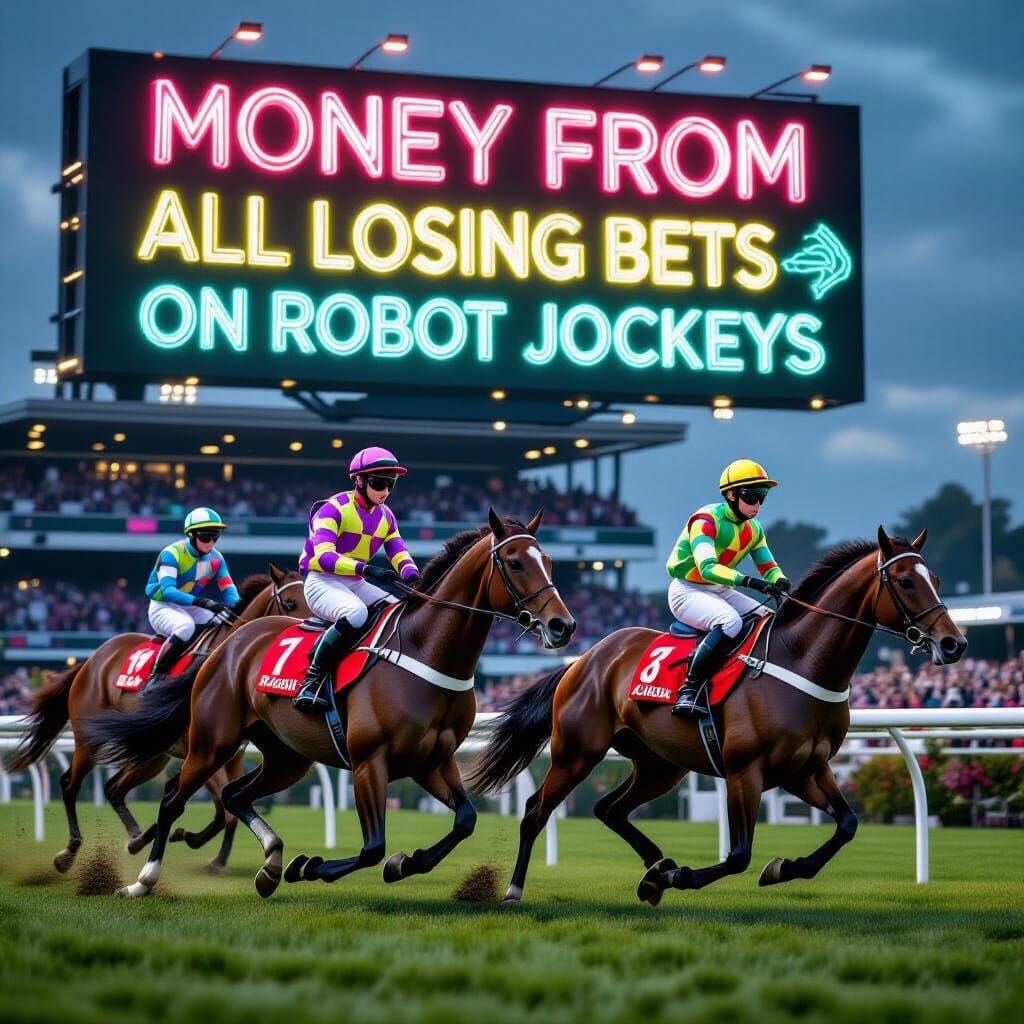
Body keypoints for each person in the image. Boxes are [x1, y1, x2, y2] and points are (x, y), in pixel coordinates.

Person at [293, 446, 420, 712]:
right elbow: (324, 556)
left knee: (400, 610)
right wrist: (368, 569)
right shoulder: (332, 508)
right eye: (378, 483)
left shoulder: (387, 516)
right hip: (321, 581)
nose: (385, 491)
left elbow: (399, 552)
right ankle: (312, 680)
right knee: (356, 614)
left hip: (355, 581)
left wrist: (415, 578)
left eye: (390, 484)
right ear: (359, 480)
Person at [666, 459, 790, 717]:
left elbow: (768, 566)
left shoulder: (754, 529)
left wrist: (780, 580)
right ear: (731, 495)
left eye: (762, 498)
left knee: (771, 619)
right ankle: (690, 688)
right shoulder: (705, 519)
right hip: (687, 590)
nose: (757, 505)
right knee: (730, 622)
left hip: (718, 590)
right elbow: (707, 568)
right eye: (752, 497)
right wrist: (750, 582)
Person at [145, 507, 240, 680]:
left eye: (215, 536)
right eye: (205, 536)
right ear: (191, 534)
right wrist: (203, 602)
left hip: (189, 606)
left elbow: (228, 587)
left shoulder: (216, 558)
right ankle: (156, 676)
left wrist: (240, 607)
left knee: (222, 623)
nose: (211, 542)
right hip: (162, 606)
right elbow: (168, 591)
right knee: (185, 626)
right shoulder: (171, 554)